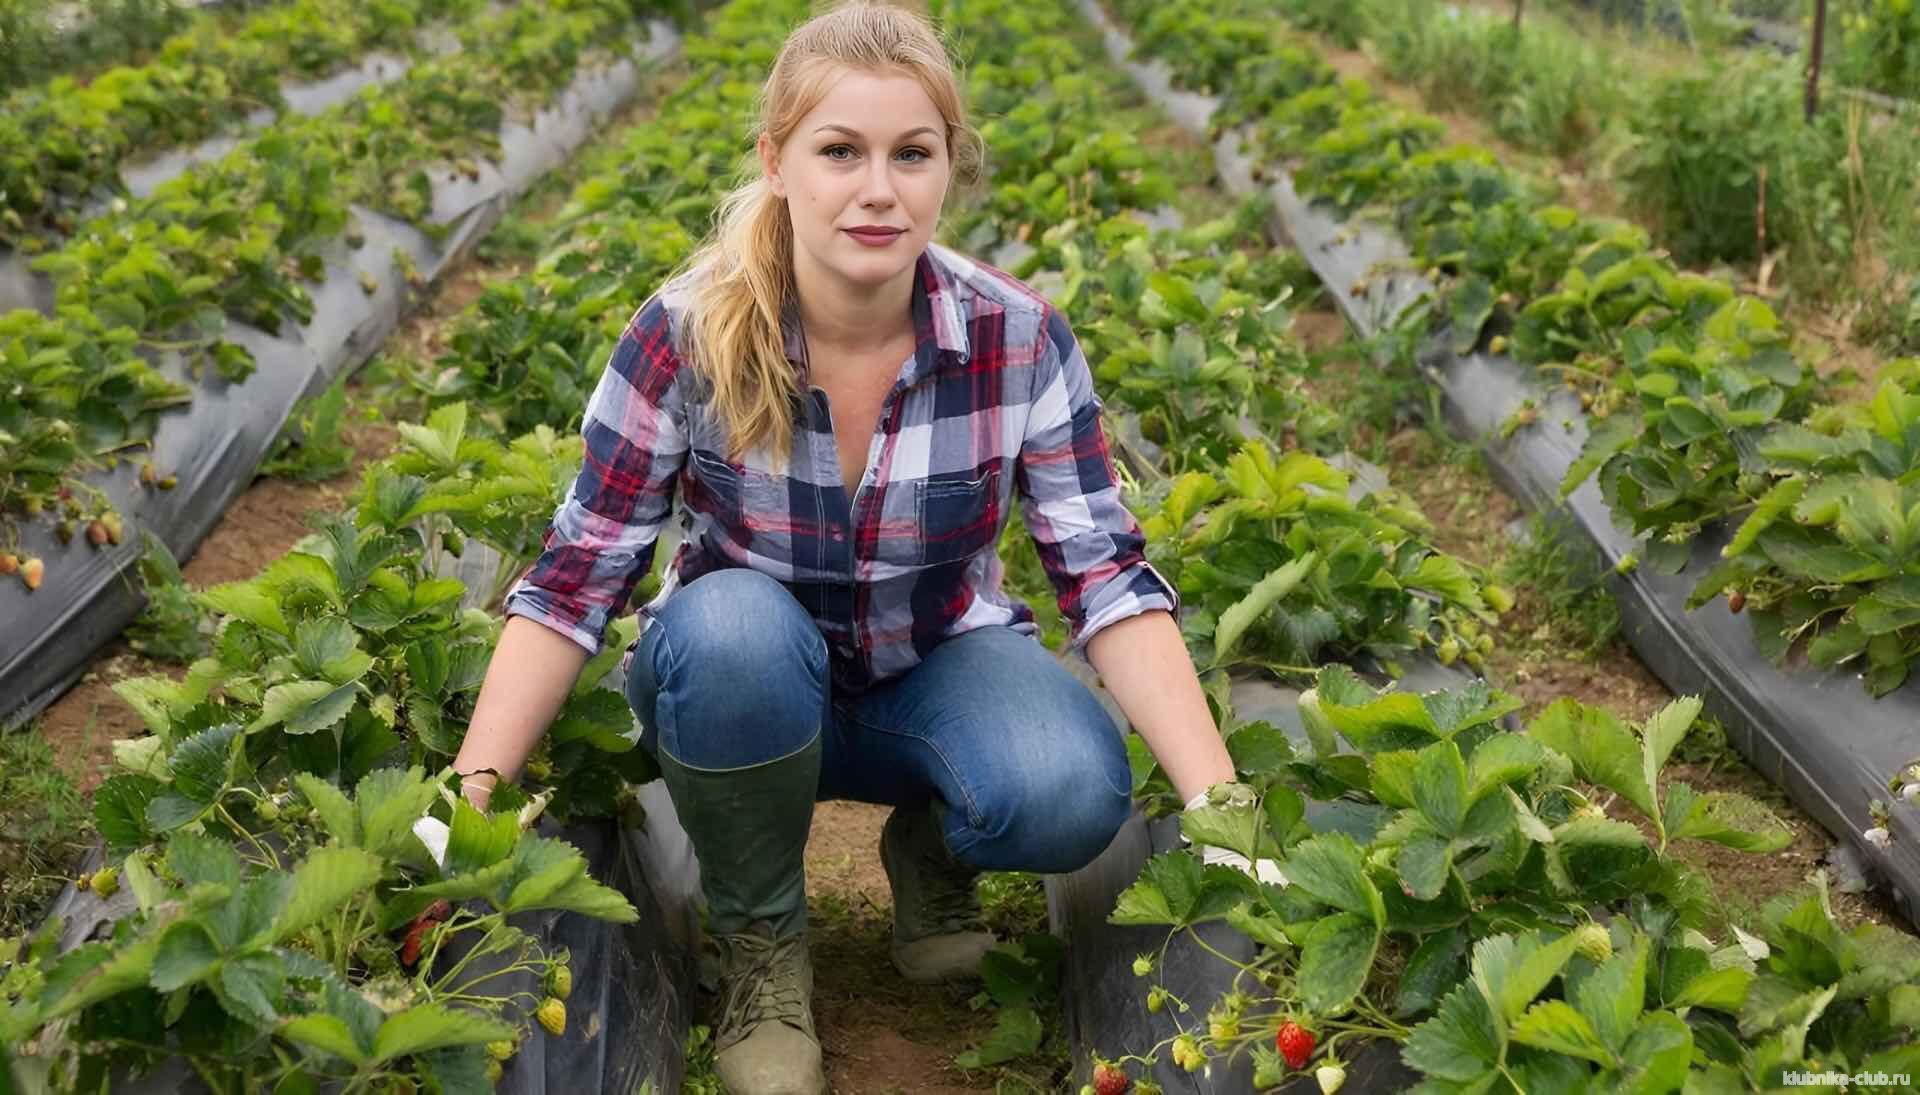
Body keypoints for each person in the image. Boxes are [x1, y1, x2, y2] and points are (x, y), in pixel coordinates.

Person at [449, 4, 1247, 1092]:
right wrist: (466, 801)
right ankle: (765, 942)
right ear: (778, 162)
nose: (879, 190)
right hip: (747, 693)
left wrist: (1227, 809)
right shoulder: (684, 335)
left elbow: (1105, 577)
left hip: (934, 671)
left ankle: (931, 847)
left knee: (1068, 788)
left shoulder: (1017, 338)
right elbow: (575, 581)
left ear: (948, 168)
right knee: (729, 625)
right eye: (841, 152)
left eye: (912, 155)